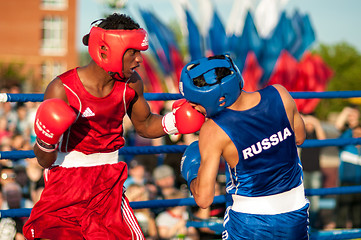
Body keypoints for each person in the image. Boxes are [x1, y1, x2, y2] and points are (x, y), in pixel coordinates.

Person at [22, 13, 204, 240]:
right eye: (133, 52)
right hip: (65, 181)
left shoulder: (131, 83)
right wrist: (45, 138)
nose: (139, 59)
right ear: (108, 50)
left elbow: (145, 124)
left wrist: (175, 122)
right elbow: (44, 160)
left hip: (109, 181)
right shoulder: (63, 88)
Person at [179, 54, 309, 239]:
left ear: (215, 99)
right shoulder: (280, 94)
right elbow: (300, 137)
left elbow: (204, 198)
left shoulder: (214, 129)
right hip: (295, 213)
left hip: (250, 221)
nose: (193, 109)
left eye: (194, 103)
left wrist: (192, 170)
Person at [300, 114, 326, 228]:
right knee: (302, 199)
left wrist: (316, 122)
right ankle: (305, 224)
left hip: (315, 171)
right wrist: (303, 121)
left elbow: (323, 140)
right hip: (303, 171)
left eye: (311, 123)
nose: (309, 125)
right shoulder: (302, 135)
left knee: (315, 201)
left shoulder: (317, 135)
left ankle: (314, 224)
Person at [336, 124, 361, 229]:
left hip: (359, 184)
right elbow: (339, 140)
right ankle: (339, 234)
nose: (357, 136)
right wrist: (352, 126)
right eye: (355, 134)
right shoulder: (346, 145)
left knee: (358, 213)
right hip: (346, 182)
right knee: (342, 211)